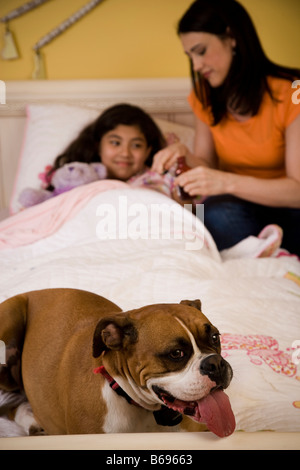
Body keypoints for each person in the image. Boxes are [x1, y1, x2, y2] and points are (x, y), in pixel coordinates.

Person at [151, 0, 300, 256]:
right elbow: (206, 163)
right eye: (190, 56)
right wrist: (184, 155)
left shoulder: (294, 90)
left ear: (231, 37)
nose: (196, 66)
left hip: (290, 208)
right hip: (239, 209)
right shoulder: (204, 95)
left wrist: (226, 182)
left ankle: (266, 250)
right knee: (210, 216)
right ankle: (263, 251)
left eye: (201, 51)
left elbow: (297, 192)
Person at [47, 103, 166, 185]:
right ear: (98, 145)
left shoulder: (163, 181)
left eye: (136, 145)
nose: (125, 153)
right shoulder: (76, 181)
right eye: (115, 143)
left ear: (148, 151)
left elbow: (184, 214)